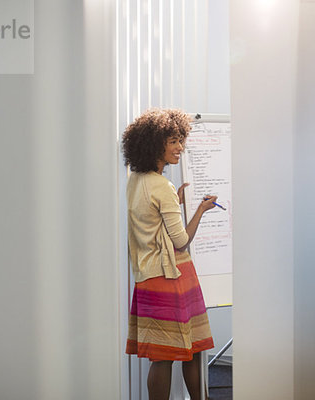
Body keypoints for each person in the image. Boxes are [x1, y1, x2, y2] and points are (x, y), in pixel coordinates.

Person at [122, 108, 216, 400]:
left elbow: (151, 223)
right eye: (173, 141)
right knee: (193, 348)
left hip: (148, 277)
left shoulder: (135, 180)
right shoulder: (162, 185)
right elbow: (181, 241)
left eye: (181, 140)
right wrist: (200, 209)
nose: (180, 148)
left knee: (161, 355)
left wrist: (176, 203)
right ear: (154, 144)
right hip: (173, 276)